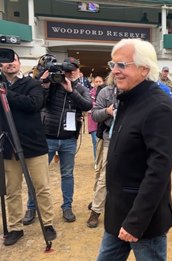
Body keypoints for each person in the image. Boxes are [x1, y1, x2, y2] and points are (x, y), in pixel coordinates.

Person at [96, 38, 172, 260]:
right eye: (113, 65)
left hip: (143, 219)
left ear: (144, 69)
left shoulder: (159, 106)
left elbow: (158, 171)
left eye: (122, 65)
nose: (115, 71)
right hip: (118, 212)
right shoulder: (127, 100)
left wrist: (136, 221)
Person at [25, 55, 92, 223]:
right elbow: (38, 103)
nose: (69, 74)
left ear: (77, 71)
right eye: (67, 71)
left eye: (73, 70)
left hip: (69, 140)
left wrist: (71, 91)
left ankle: (67, 207)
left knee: (67, 174)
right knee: (38, 175)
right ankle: (31, 208)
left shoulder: (81, 89)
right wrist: (45, 85)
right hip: (47, 137)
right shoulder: (52, 85)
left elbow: (87, 106)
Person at [0, 52, 56, 246]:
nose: (9, 64)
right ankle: (15, 227)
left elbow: (34, 104)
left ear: (19, 62)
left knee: (42, 187)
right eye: (5, 61)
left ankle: (47, 223)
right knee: (12, 190)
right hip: (8, 146)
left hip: (34, 145)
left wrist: (6, 93)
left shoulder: (32, 84)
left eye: (13, 60)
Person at [86, 73, 117, 228]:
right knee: (104, 176)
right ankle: (96, 210)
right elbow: (95, 114)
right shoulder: (106, 92)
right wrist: (108, 111)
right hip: (109, 140)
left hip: (133, 141)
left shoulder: (138, 93)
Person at [88, 75, 105, 163]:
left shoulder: (106, 93)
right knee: (95, 141)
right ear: (94, 83)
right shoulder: (90, 93)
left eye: (100, 81)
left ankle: (104, 160)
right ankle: (96, 160)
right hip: (93, 120)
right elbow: (89, 106)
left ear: (103, 82)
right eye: (96, 82)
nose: (98, 83)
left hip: (104, 121)